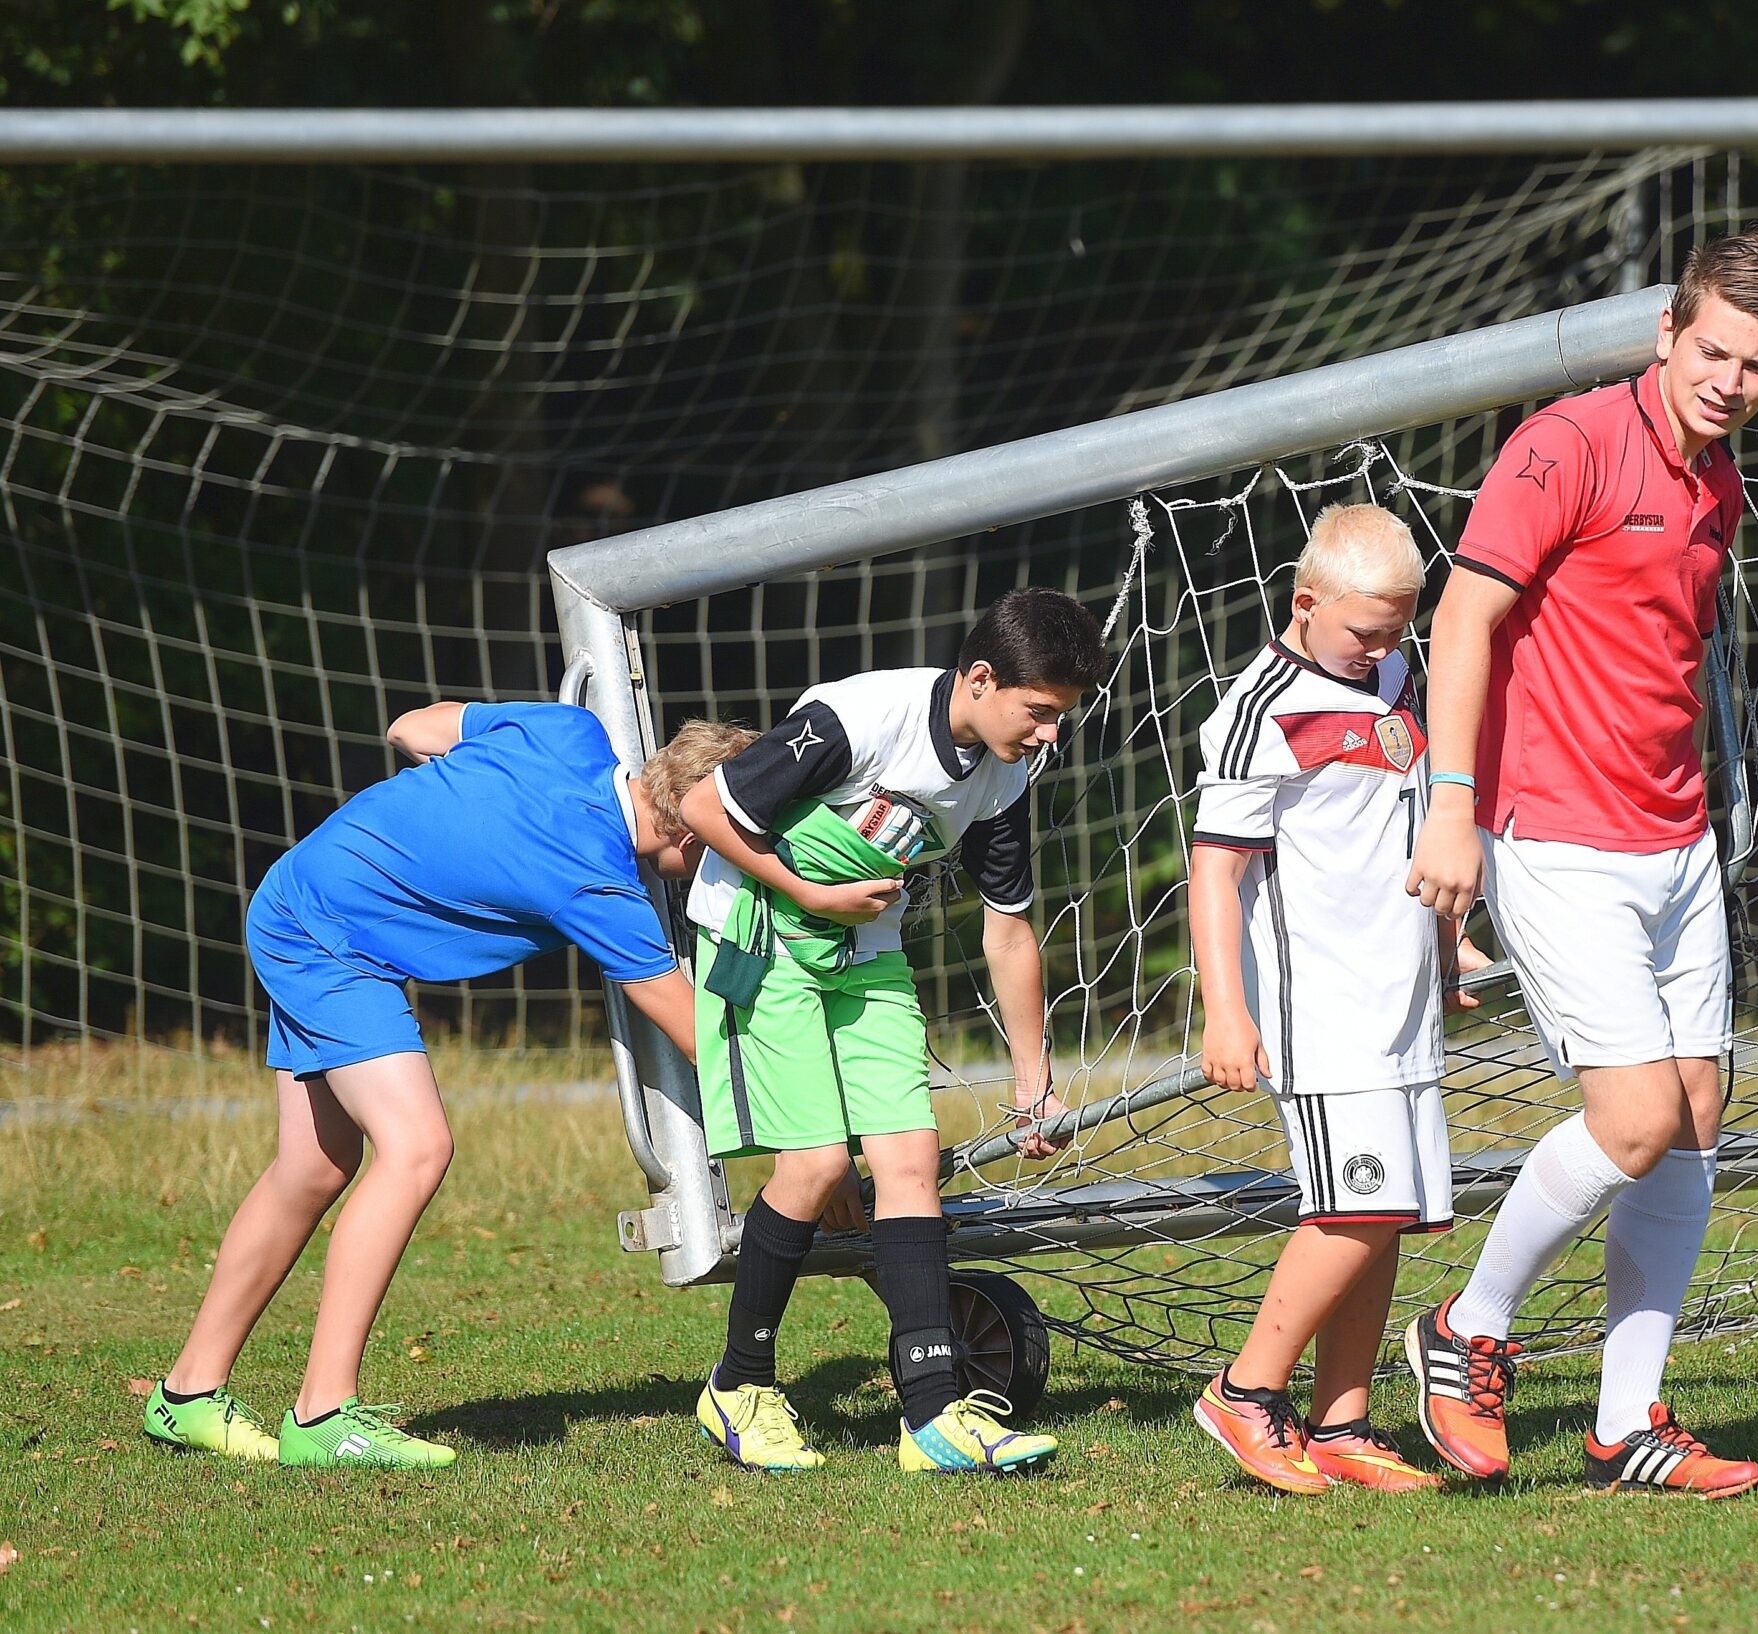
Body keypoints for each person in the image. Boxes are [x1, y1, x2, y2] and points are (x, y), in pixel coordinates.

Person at [1402, 232, 1758, 1495]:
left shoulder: (1721, 486)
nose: (1728, 380)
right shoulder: (1565, 444)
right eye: (1712, 350)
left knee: (1691, 1119)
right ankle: (1464, 1328)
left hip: (1674, 842)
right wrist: (1451, 804)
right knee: (1630, 1119)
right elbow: (1463, 616)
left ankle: (1625, 1420)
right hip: (1552, 835)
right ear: (1665, 330)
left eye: (1756, 365)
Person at [146, 704, 745, 1469]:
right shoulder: (597, 885)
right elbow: (700, 1039)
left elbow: (405, 727)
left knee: (313, 1168)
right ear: (696, 835)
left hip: (300, 894)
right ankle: (323, 1414)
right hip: (328, 940)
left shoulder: (570, 733)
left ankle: (187, 1395)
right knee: (417, 1148)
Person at [680, 587, 1107, 1475]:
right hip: (761, 935)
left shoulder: (1004, 774)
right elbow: (706, 811)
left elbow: (1009, 925)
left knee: (909, 1158)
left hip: (865, 951)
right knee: (818, 1166)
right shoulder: (857, 717)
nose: (1047, 735)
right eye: (1038, 712)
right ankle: (739, 1385)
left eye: (1060, 717)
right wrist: (813, 894)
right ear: (980, 678)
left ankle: (933, 1416)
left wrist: (1033, 1077)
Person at [1187, 504, 1482, 1496]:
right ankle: (1244, 1388)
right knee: (1353, 1204)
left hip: (1399, 1000)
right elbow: (1213, 871)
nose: (1382, 650)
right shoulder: (1256, 708)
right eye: (1364, 630)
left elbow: (1406, 820)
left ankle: (1341, 1420)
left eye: (1399, 630)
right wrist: (1225, 1011)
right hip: (1318, 1007)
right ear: (1304, 602)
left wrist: (1446, 941)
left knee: (1386, 1210)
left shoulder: (1394, 675)